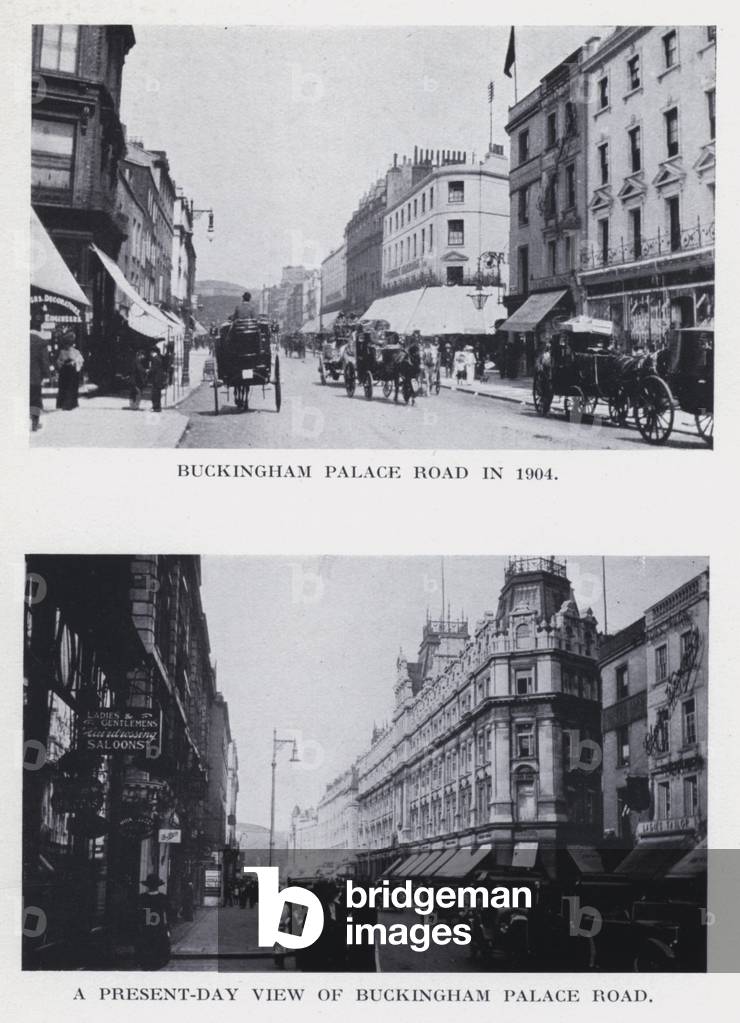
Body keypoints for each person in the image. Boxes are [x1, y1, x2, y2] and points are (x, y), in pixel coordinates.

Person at [135, 874, 171, 970]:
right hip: (159, 929)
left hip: (145, 929)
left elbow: (138, 915)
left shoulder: (142, 897)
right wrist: (168, 929)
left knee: (146, 952)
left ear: (148, 886)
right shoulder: (163, 898)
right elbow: (167, 915)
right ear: (157, 886)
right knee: (158, 952)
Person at [29, 310, 51, 431]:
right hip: (35, 377)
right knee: (35, 400)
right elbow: (44, 362)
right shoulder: (41, 342)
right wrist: (48, 375)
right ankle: (34, 423)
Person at [55, 329, 84, 410]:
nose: (68, 346)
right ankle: (66, 403)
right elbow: (59, 361)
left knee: (69, 387)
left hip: (70, 371)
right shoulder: (63, 352)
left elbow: (80, 361)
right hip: (67, 371)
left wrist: (74, 363)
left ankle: (69, 404)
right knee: (66, 387)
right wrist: (63, 363)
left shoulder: (75, 351)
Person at [148, 345, 166, 413]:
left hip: (156, 379)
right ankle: (157, 407)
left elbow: (153, 369)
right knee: (158, 393)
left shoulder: (155, 359)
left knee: (155, 394)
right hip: (159, 379)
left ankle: (156, 407)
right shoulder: (159, 358)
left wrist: (149, 370)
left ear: (153, 352)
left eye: (151, 352)